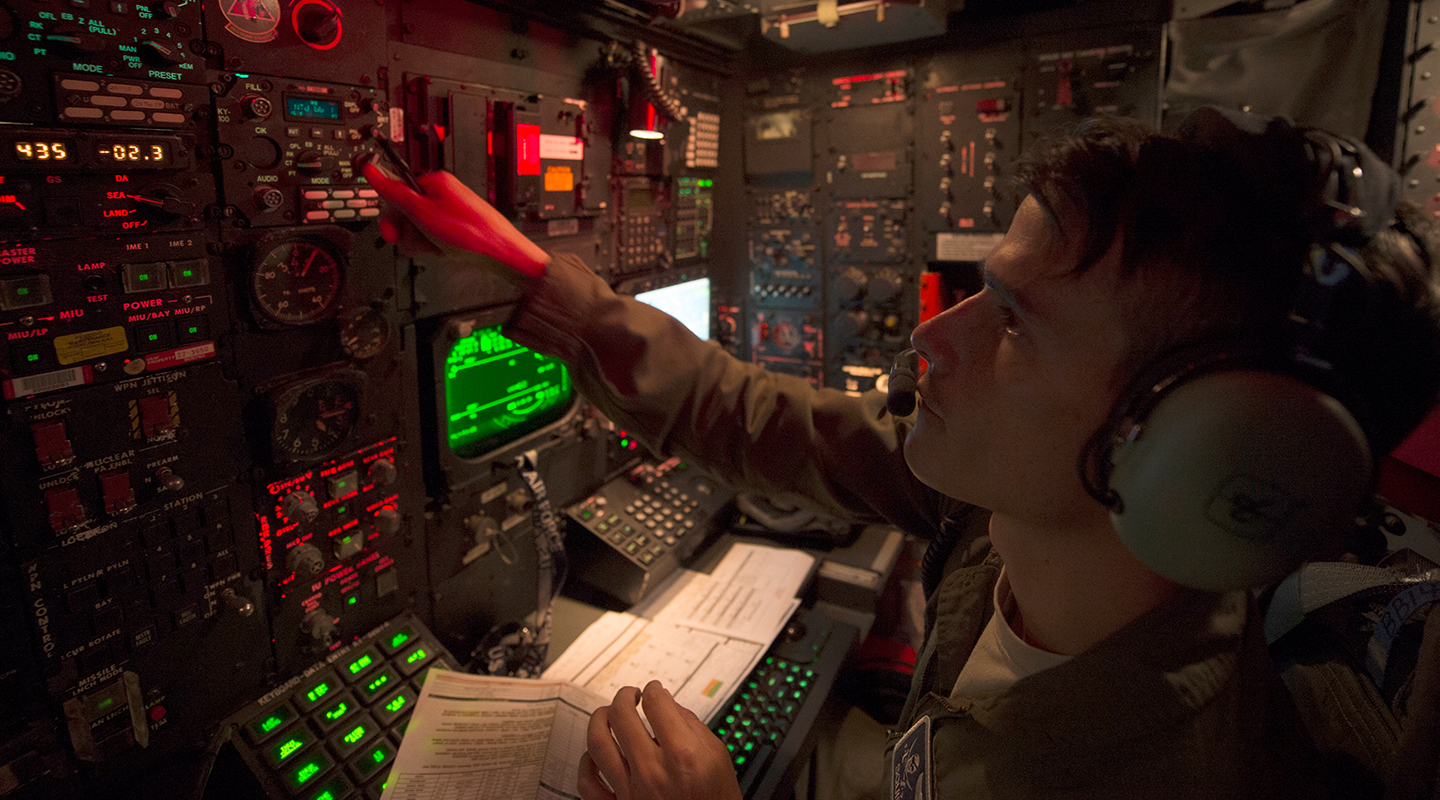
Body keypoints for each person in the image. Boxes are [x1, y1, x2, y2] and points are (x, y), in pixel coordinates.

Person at [362, 107, 1440, 799]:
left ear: (1191, 454)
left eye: (1014, 321)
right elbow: (750, 414)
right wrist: (529, 273)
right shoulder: (1013, 512)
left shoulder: (1167, 771)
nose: (933, 339)